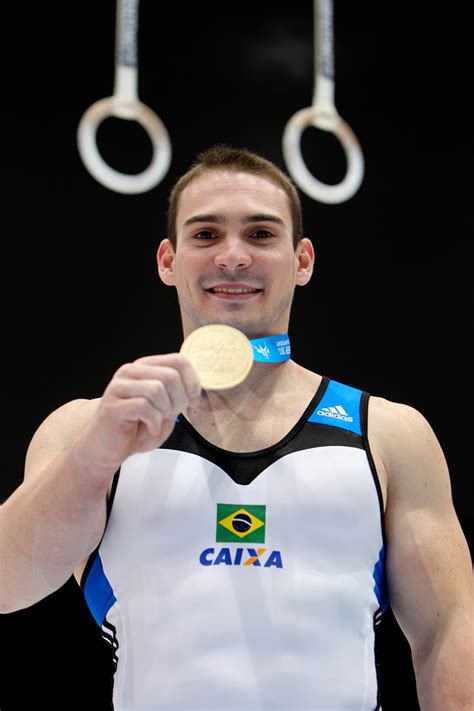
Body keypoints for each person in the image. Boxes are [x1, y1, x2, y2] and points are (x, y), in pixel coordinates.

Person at [0, 145, 472, 711]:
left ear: (303, 260)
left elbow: (448, 633)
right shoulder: (86, 428)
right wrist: (93, 457)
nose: (233, 257)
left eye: (260, 234)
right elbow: (8, 586)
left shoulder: (389, 435)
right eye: (204, 235)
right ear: (167, 261)